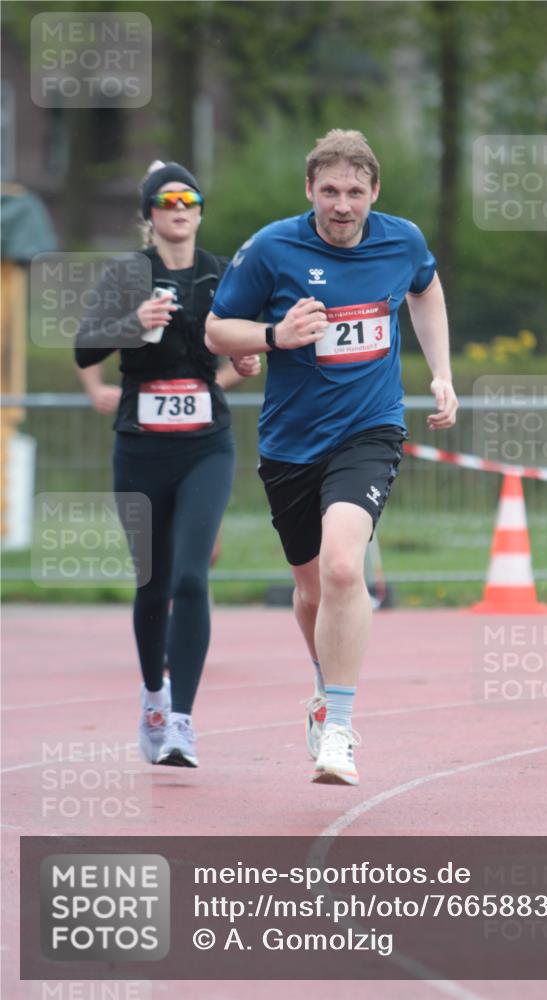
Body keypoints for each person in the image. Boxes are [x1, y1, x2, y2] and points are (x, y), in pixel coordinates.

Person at [205, 130, 457, 786]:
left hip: (368, 430)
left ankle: (339, 727)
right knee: (312, 589)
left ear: (373, 191)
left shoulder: (400, 240)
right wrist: (273, 335)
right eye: (328, 192)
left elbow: (424, 288)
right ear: (309, 192)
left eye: (354, 192)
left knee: (346, 567)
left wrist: (441, 373)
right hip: (289, 442)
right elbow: (216, 329)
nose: (341, 205)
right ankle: (324, 691)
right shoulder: (271, 247)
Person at [75, 160, 260, 768]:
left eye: (189, 199)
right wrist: (135, 323)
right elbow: (84, 345)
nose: (178, 208)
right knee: (152, 584)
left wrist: (245, 361)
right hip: (140, 446)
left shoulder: (221, 273)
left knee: (189, 576)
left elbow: (247, 343)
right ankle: (153, 698)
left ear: (200, 212)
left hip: (205, 444)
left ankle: (181, 721)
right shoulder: (128, 274)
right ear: (149, 215)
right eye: (166, 200)